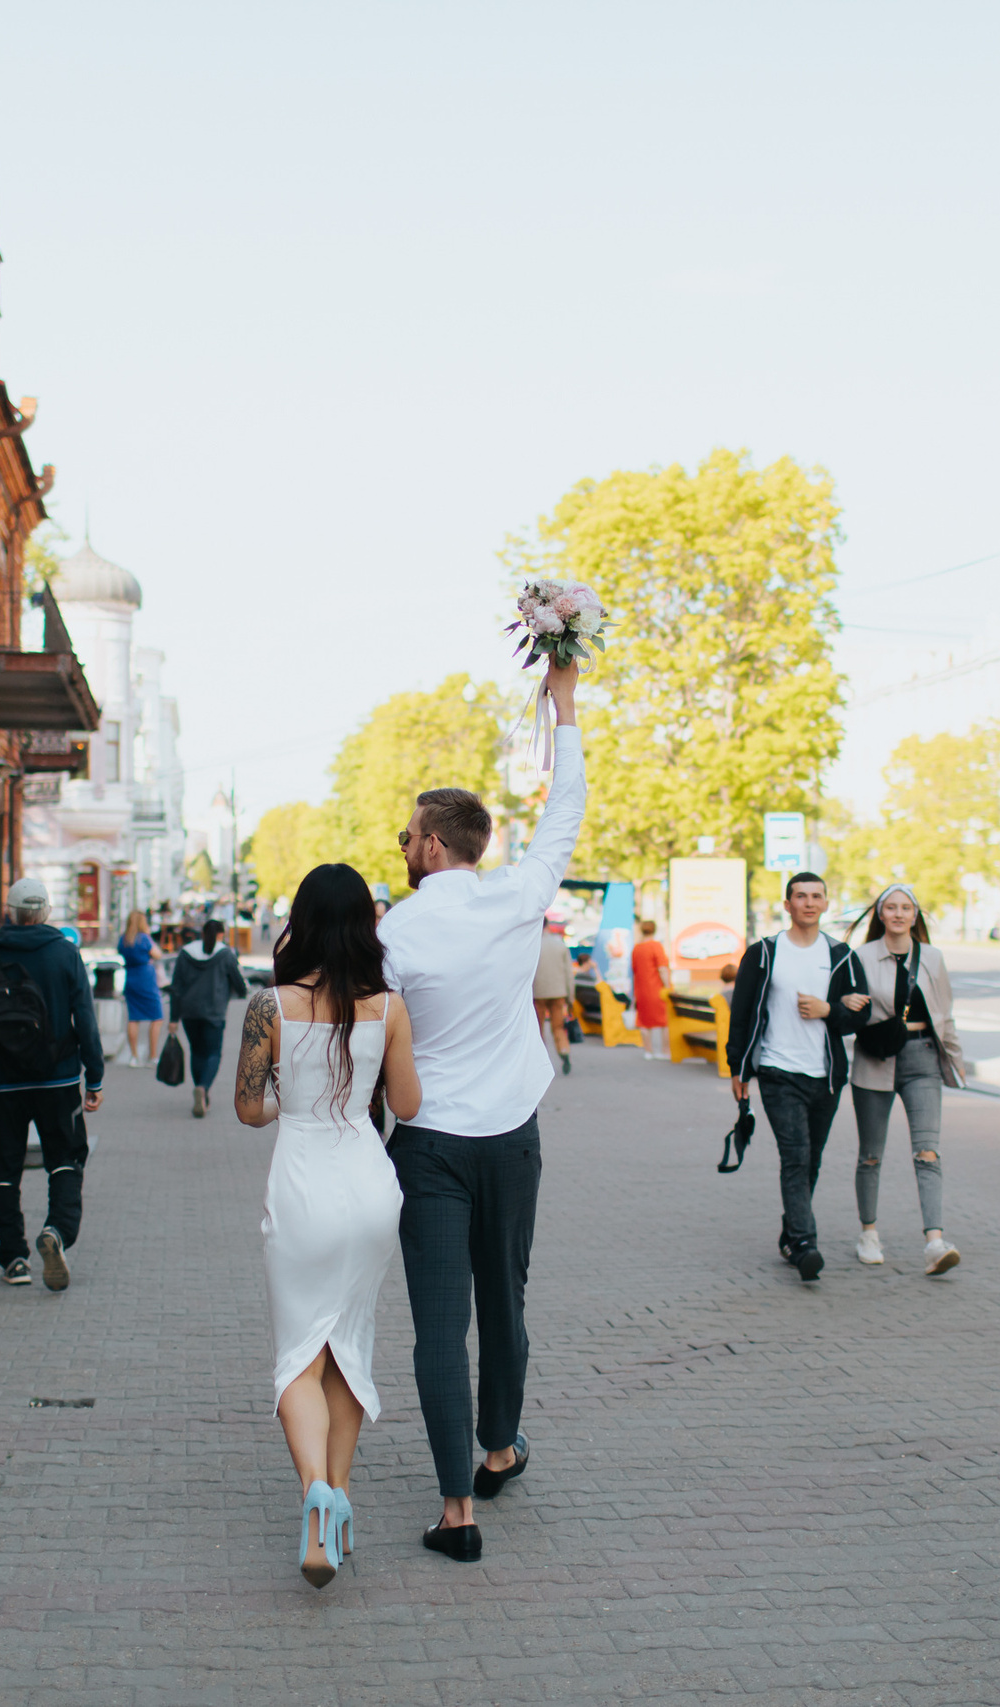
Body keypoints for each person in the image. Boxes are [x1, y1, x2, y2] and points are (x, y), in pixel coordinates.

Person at [378, 657, 585, 1563]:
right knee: (505, 1295)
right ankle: (499, 1444)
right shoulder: (517, 895)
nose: (403, 840)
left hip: (425, 1145)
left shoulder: (393, 932)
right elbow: (565, 814)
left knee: (436, 1321)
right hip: (510, 1135)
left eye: (407, 832)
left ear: (430, 846)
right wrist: (565, 706)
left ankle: (456, 1508)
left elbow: (361, 1041)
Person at [233, 863, 418, 1589]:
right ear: (366, 924)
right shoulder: (389, 1007)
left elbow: (251, 1110)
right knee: (346, 1348)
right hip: (371, 1184)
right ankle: (332, 1511)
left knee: (297, 1357)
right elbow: (406, 1100)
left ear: (299, 920)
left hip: (304, 1182)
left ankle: (315, 1492)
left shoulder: (267, 1005)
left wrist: (290, 1095)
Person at [0, 876, 106, 1289]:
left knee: (4, 1168)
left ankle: (14, 1259)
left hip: (4, 1084)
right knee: (66, 1159)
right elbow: (86, 1020)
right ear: (45, 912)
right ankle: (56, 1231)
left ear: (10, 912)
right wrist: (94, 1077)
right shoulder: (65, 953)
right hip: (58, 1079)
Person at [726, 872, 870, 1283]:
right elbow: (742, 1013)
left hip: (825, 1077)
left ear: (826, 904)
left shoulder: (842, 955)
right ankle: (806, 1243)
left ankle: (790, 1236)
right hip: (777, 1071)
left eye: (817, 896)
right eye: (801, 896)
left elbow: (859, 1015)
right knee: (795, 1156)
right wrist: (738, 1068)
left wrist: (830, 1010)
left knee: (812, 1160)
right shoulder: (764, 953)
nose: (809, 903)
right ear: (787, 905)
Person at [843, 882, 970, 1274]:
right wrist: (845, 1004)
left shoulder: (932, 957)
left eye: (906, 908)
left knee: (928, 1151)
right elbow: (848, 1010)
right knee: (871, 1154)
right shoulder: (860, 956)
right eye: (891, 908)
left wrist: (955, 1061)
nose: (899, 914)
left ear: (915, 916)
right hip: (875, 1057)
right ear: (880, 914)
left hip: (922, 1057)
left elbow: (945, 1013)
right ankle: (869, 1232)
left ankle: (934, 1242)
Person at [168, 917, 250, 1118]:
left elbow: (176, 987)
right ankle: (204, 1088)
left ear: (202, 933)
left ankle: (200, 1090)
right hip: (214, 1011)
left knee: (197, 1051)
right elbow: (240, 984)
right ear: (221, 934)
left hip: (189, 1012)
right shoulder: (226, 954)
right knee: (213, 1053)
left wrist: (173, 1018)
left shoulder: (185, 954)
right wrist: (238, 993)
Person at [117, 910, 163, 1068]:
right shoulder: (144, 938)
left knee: (133, 1017)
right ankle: (153, 1055)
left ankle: (134, 1056)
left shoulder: (123, 939)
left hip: (130, 977)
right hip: (146, 978)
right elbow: (157, 955)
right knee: (156, 1017)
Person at [532, 913, 577, 1077]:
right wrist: (570, 998)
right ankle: (564, 1051)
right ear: (548, 925)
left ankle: (540, 1061)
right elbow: (568, 973)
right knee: (558, 1027)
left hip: (538, 993)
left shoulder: (532, 944)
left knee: (538, 1029)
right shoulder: (560, 945)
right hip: (559, 992)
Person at [630, 918, 673, 1059]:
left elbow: (634, 970)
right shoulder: (656, 946)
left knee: (643, 1021)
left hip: (641, 989)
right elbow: (661, 969)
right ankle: (664, 1051)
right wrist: (668, 986)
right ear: (654, 930)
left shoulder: (637, 948)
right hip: (656, 989)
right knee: (664, 1020)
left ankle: (648, 1051)